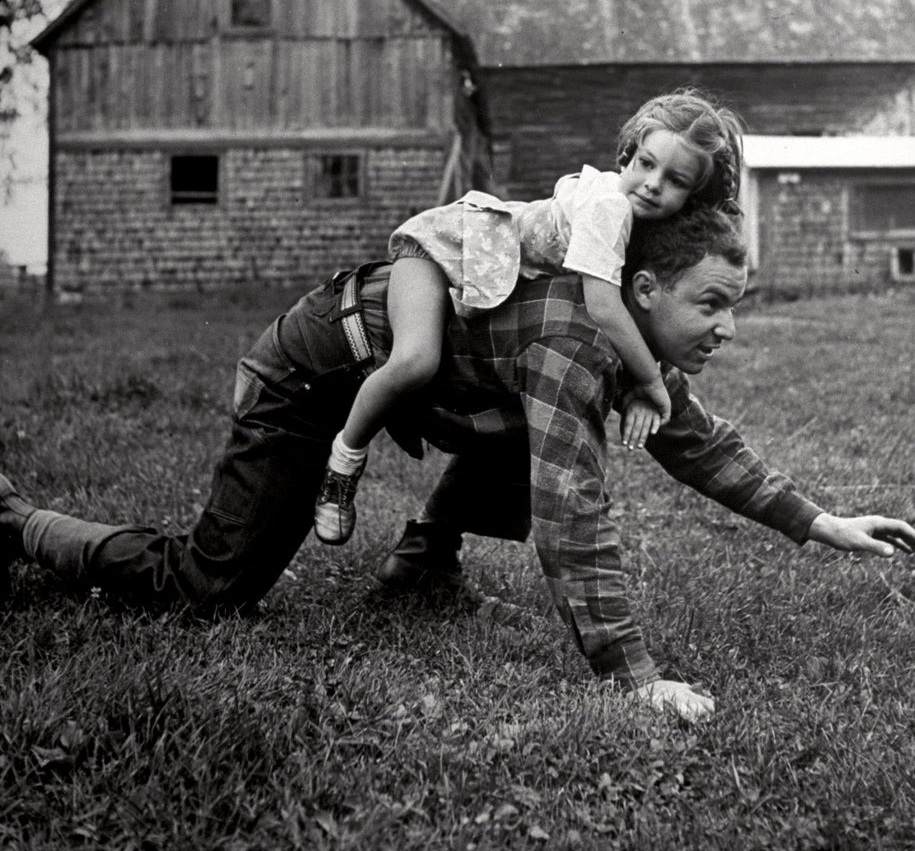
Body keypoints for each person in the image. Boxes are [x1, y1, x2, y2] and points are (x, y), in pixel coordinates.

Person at [1, 207, 912, 724]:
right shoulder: (575, 341)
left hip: (418, 380)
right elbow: (571, 513)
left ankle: (418, 568)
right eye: (711, 303)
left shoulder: (631, 346)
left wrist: (820, 522)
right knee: (213, 583)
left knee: (515, 427)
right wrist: (634, 678)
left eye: (733, 305)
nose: (726, 326)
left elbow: (697, 439)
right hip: (315, 369)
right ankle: (18, 521)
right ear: (641, 293)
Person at [314, 88, 745, 545]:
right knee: (415, 360)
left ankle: (431, 546)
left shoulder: (642, 226)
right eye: (645, 163)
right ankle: (344, 461)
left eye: (676, 180)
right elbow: (604, 307)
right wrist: (652, 383)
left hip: (487, 272)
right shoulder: (609, 208)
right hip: (446, 247)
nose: (654, 183)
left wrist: (645, 379)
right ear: (627, 155)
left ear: (693, 194)